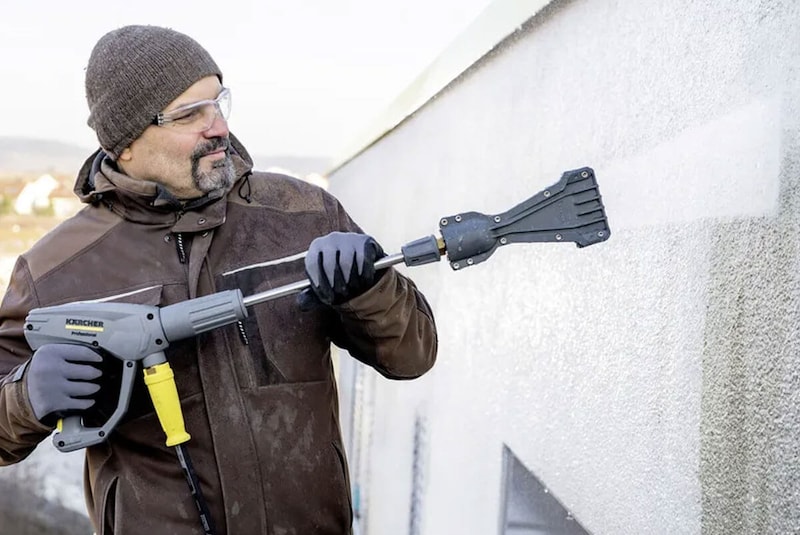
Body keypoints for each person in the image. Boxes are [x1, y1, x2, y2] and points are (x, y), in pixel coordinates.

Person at [0, 25, 437, 535]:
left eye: (218, 103)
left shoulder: (302, 215)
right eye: (190, 114)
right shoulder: (57, 270)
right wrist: (26, 395)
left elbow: (413, 356)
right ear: (125, 143)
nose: (219, 127)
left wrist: (371, 290)